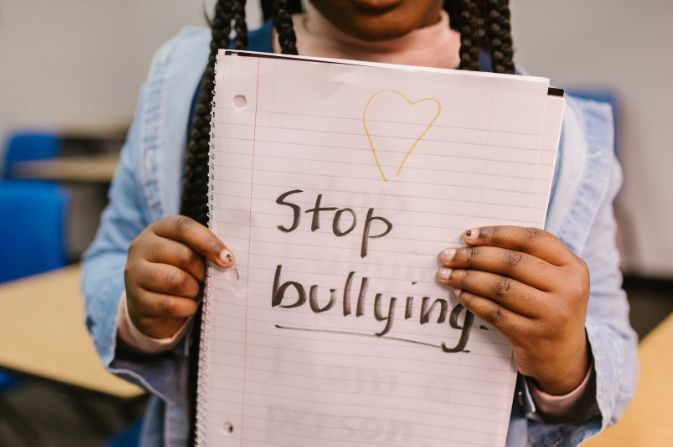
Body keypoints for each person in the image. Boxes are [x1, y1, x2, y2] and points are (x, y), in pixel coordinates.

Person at [82, 1, 638, 446]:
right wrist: (142, 313)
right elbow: (110, 258)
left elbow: (613, 342)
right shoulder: (189, 83)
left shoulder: (560, 140)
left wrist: (567, 363)